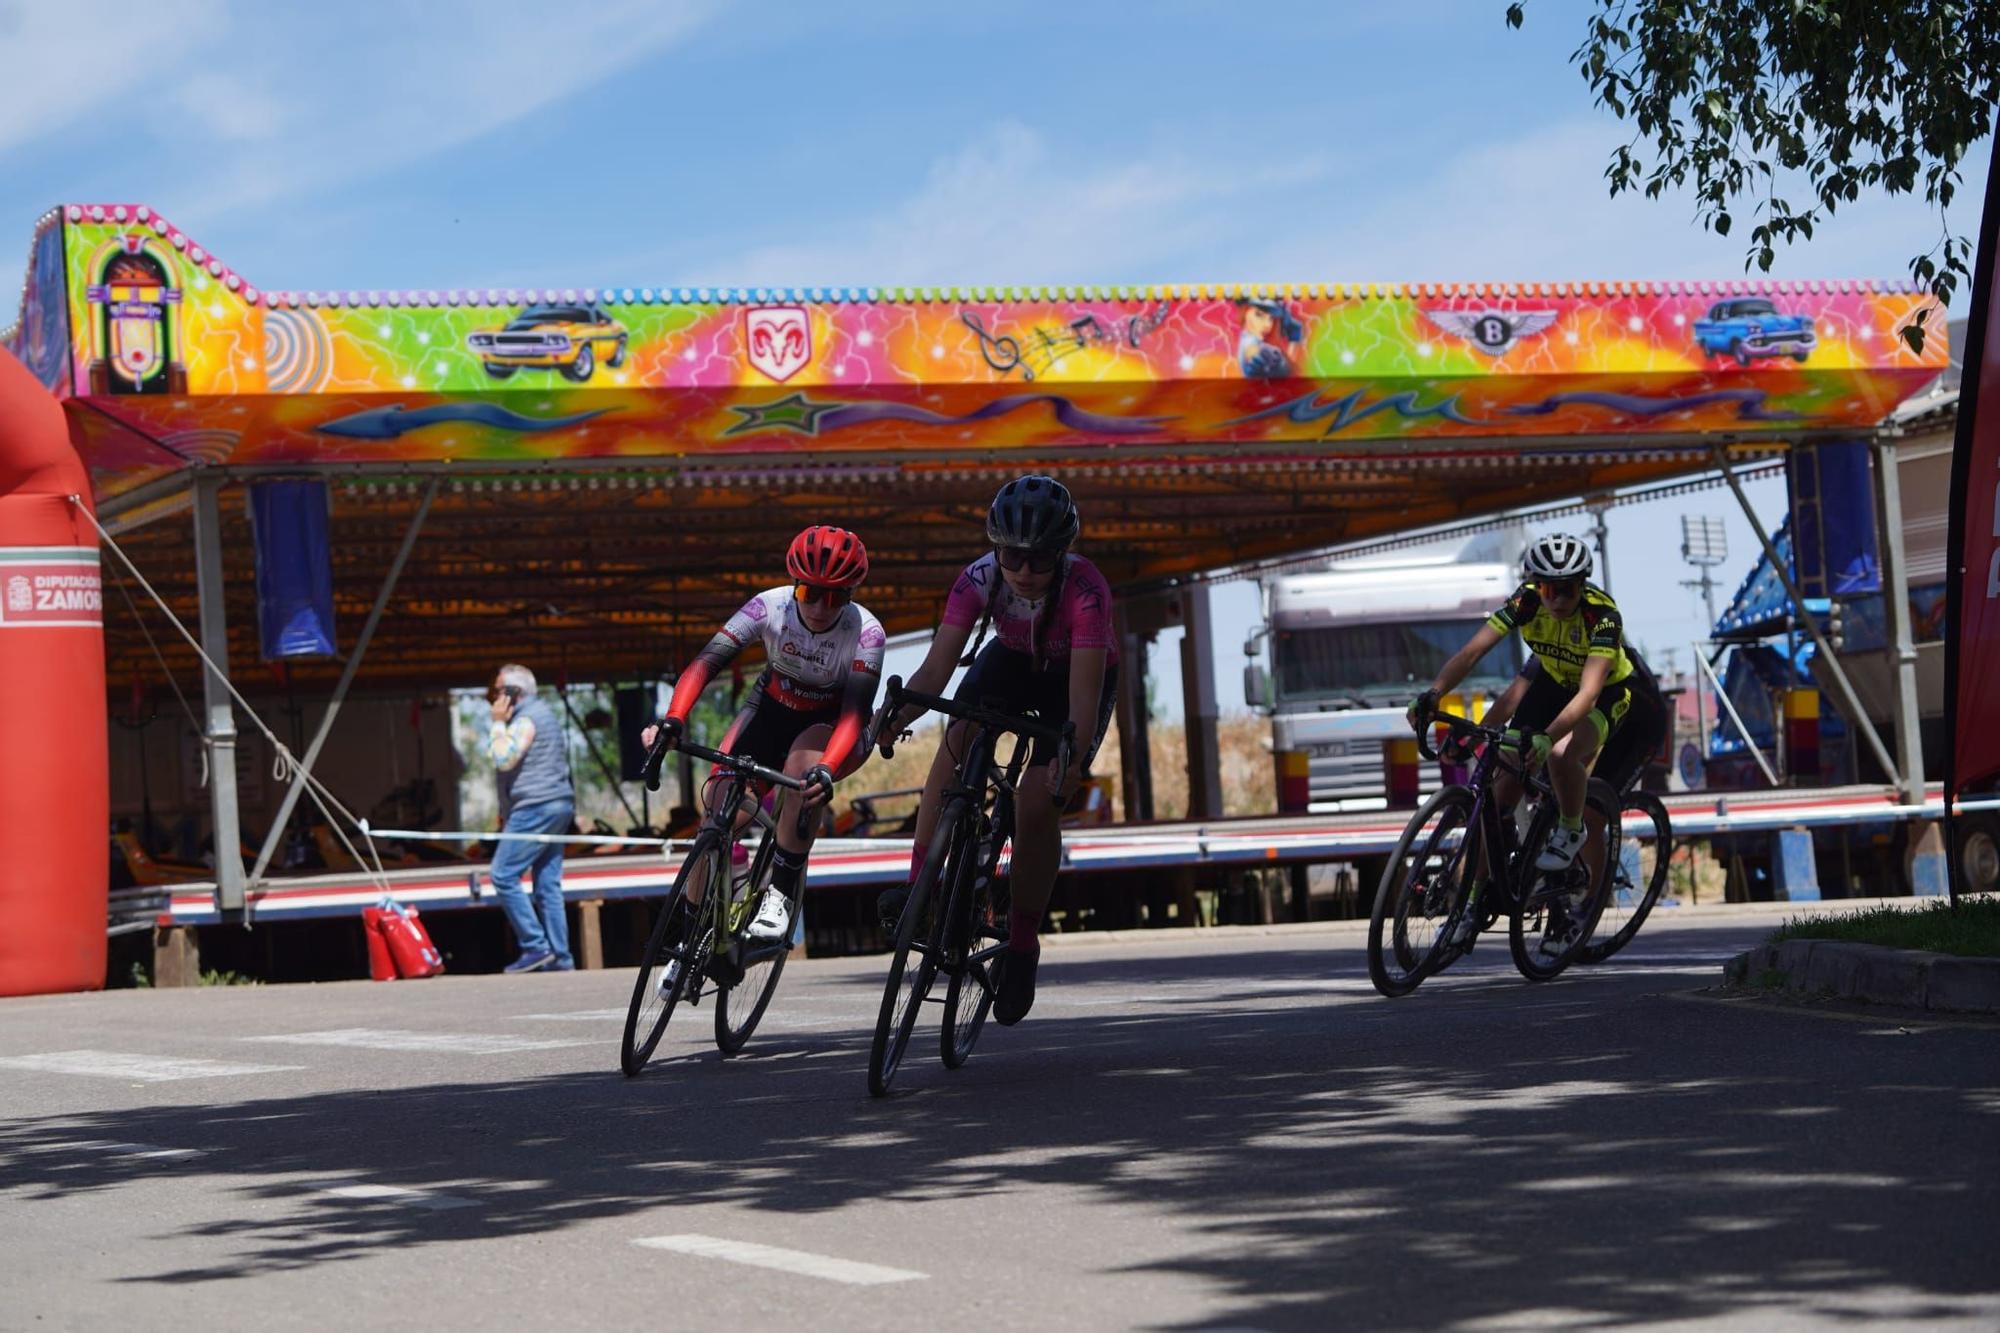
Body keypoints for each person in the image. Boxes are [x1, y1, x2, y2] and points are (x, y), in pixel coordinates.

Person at [876, 475, 1117, 1027]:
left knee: (1037, 797)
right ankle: (919, 891)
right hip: (1008, 660)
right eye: (1013, 556)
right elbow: (936, 670)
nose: (1026, 572)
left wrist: (1070, 764)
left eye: (1040, 560)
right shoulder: (976, 580)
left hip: (1072, 679)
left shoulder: (1086, 590)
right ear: (995, 550)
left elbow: (1081, 701)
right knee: (955, 741)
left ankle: (1024, 945)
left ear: (1063, 555)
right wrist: (893, 719)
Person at [643, 526, 883, 947]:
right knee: (716, 814)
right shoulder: (766, 607)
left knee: (802, 770)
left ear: (852, 596)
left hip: (832, 722)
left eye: (837, 597)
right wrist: (674, 718)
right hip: (771, 709)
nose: (823, 608)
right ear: (794, 587)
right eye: (811, 595)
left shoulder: (866, 634)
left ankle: (781, 894)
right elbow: (706, 664)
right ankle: (689, 931)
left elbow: (854, 715)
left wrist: (827, 767)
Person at [1407, 533, 1642, 944]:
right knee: (1498, 795)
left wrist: (1549, 738)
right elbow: (1473, 651)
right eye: (1549, 588)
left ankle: (1571, 828)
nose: (1557, 598)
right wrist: (1435, 692)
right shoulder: (1526, 601)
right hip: (1552, 686)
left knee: (1563, 755)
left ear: (1582, 585)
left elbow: (1588, 694)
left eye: (1567, 588)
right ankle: (1472, 903)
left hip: (1604, 693)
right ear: (1537, 585)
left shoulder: (1602, 616)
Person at [485, 664, 576, 973]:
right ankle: (560, 958)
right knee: (548, 884)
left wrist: (497, 723)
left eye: (498, 691)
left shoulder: (525, 719)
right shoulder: (545, 714)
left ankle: (535, 946)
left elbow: (503, 757)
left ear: (514, 693)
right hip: (558, 804)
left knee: (502, 874)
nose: (493, 697)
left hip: (535, 807)